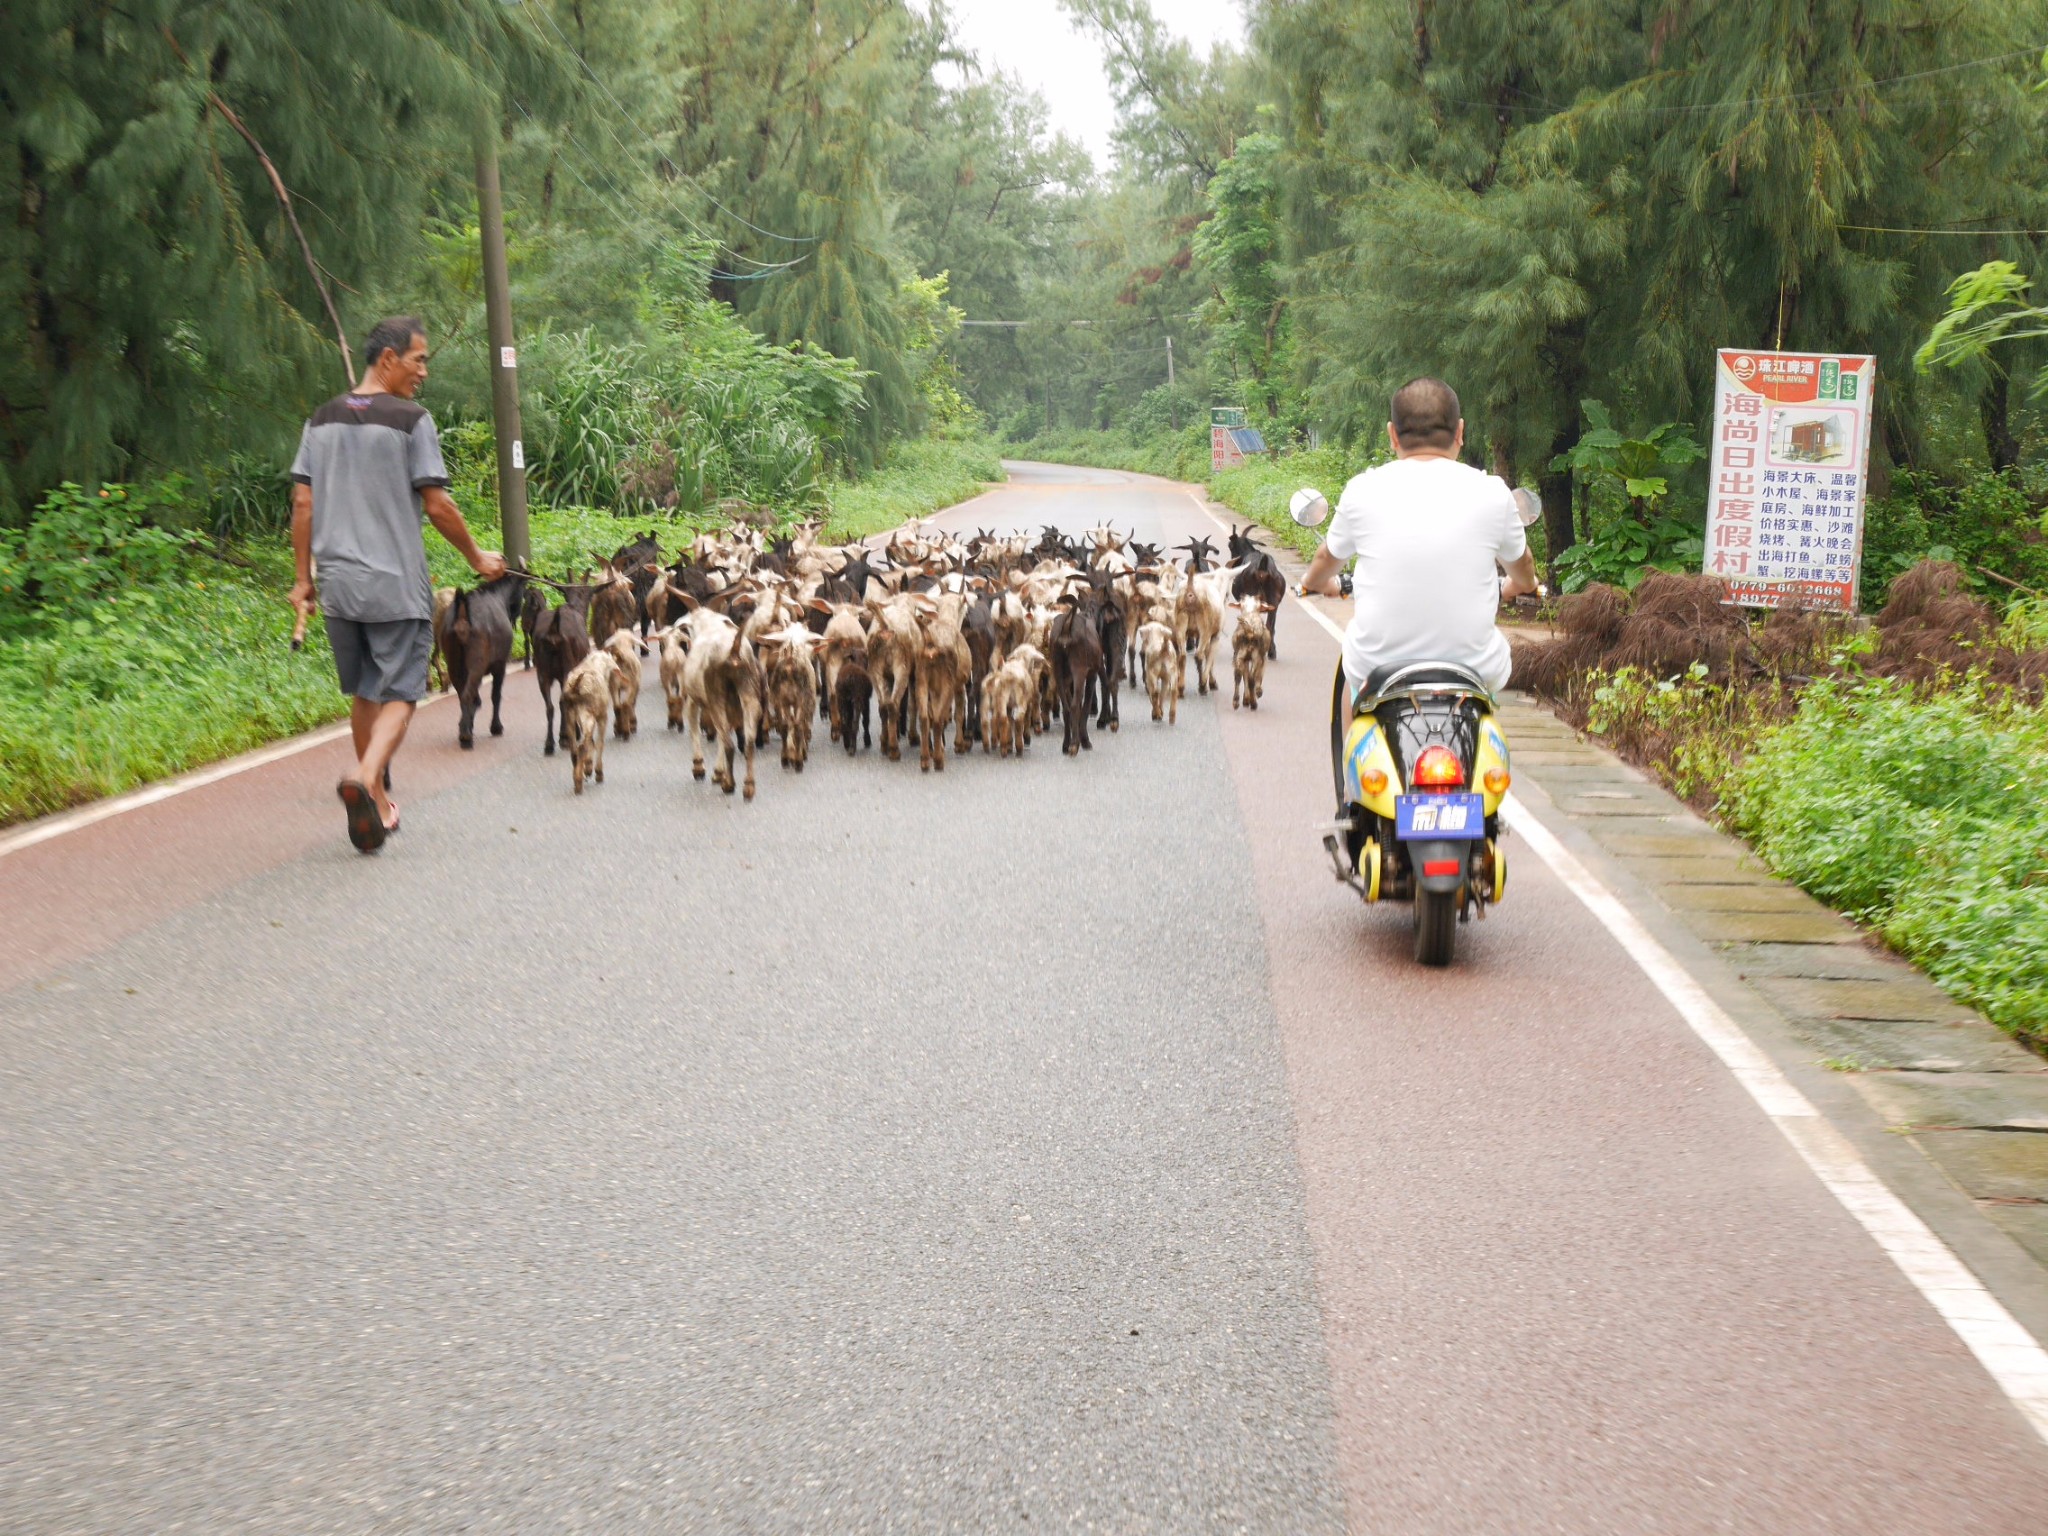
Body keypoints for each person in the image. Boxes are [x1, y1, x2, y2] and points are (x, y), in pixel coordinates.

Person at [288, 316, 506, 852]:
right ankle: (366, 778)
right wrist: (477, 557)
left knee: (365, 689)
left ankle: (380, 801)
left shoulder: (320, 421)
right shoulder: (412, 421)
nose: (424, 372)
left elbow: (302, 503)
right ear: (388, 359)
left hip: (338, 584)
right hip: (394, 581)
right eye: (419, 360)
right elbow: (437, 504)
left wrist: (302, 581)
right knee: (405, 692)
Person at [1297, 376, 1538, 701]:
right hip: (1475, 670)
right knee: (1489, 713)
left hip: (1378, 670)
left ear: (1392, 435)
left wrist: (1313, 583)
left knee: (1353, 692)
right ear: (1460, 432)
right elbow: (1522, 563)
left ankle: (1351, 750)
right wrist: (1524, 584)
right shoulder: (1493, 492)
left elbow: (1327, 559)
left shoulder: (1363, 489)